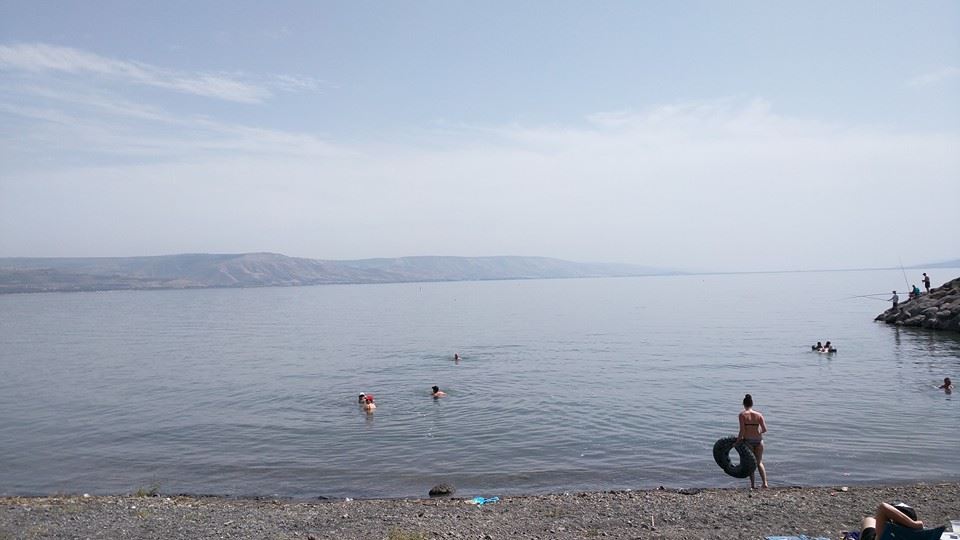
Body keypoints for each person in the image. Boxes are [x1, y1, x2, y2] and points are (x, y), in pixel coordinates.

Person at [736, 393, 768, 489]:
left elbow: (742, 431)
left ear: (744, 404)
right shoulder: (759, 415)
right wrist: (758, 431)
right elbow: (764, 429)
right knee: (759, 462)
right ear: (752, 404)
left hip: (748, 441)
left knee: (751, 463)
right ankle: (765, 483)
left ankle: (753, 485)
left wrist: (737, 441)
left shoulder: (742, 415)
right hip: (759, 441)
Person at [855, 502, 923, 540]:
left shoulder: (884, 534)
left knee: (869, 519)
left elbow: (883, 507)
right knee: (871, 520)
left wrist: (913, 524)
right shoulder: (916, 536)